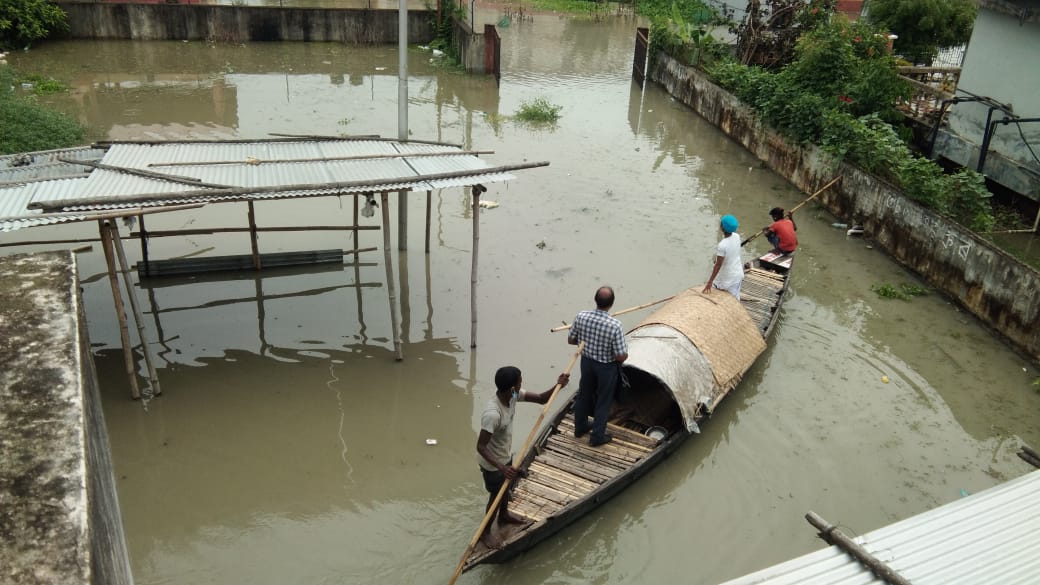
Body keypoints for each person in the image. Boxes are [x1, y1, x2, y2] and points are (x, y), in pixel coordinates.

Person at [476, 365, 570, 549]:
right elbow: (480, 446)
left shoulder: (512, 396)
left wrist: (559, 385)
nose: (522, 384)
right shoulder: (492, 414)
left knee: (505, 488)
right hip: (492, 464)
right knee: (495, 496)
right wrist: (502, 468)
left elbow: (542, 399)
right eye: (520, 381)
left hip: (504, 456)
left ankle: (504, 515)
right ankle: (485, 533)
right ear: (512, 387)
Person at [567, 286, 628, 447]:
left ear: (595, 300)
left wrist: (586, 342)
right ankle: (597, 436)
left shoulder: (581, 316)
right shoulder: (615, 325)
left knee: (584, 395)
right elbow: (620, 356)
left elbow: (571, 340)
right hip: (606, 368)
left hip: (586, 362)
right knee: (603, 400)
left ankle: (580, 427)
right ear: (612, 303)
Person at [702, 214, 744, 300]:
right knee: (735, 300)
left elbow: (718, 265)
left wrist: (710, 282)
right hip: (738, 274)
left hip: (728, 279)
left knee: (721, 298)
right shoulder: (737, 236)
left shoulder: (722, 245)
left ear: (722, 228)